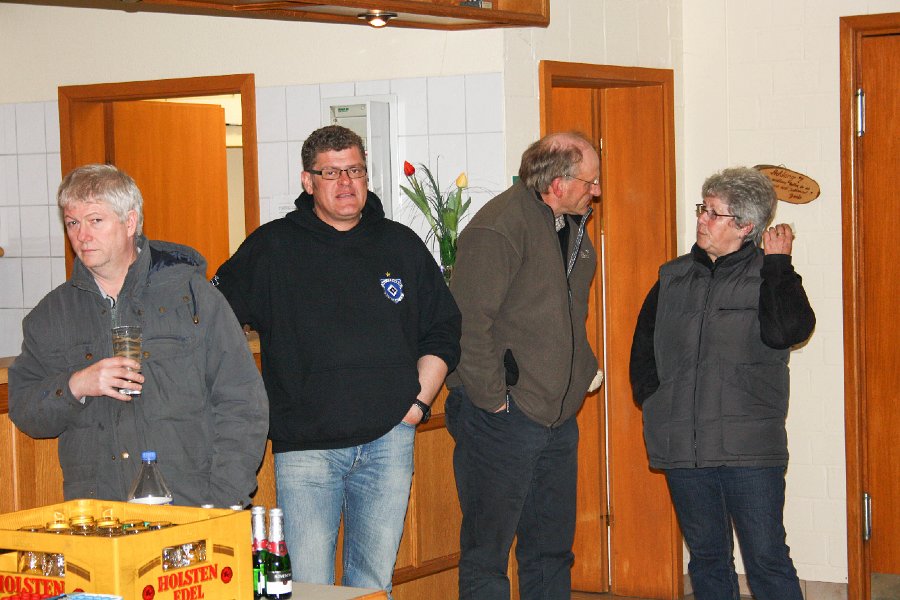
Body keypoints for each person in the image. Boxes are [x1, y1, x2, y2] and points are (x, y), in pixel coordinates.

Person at [211, 125, 461, 596]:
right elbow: (213, 321)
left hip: (389, 441)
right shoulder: (272, 247)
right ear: (308, 182)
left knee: (372, 586)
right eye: (332, 173)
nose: (346, 183)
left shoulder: (400, 244)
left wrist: (417, 405)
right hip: (306, 449)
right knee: (310, 587)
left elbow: (445, 329)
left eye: (355, 171)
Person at [9, 163, 268, 508]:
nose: (82, 236)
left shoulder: (192, 296)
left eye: (95, 220)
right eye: (73, 223)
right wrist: (76, 385)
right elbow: (25, 409)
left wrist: (223, 500)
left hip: (191, 508)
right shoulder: (52, 314)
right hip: (101, 515)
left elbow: (243, 402)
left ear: (130, 222)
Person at [629, 167, 816, 600]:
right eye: (703, 208)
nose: (701, 219)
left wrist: (779, 265)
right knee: (707, 560)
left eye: (714, 213)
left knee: (767, 559)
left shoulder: (770, 274)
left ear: (745, 226)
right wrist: (656, 402)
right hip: (684, 447)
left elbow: (789, 331)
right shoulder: (672, 277)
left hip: (749, 451)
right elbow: (643, 351)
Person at [445, 132, 602, 600]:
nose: (596, 191)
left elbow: (562, 315)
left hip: (556, 419)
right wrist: (495, 400)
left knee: (551, 553)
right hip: (502, 419)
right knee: (487, 555)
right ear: (558, 184)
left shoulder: (572, 227)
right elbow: (467, 324)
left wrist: (580, 368)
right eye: (590, 182)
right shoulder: (499, 228)